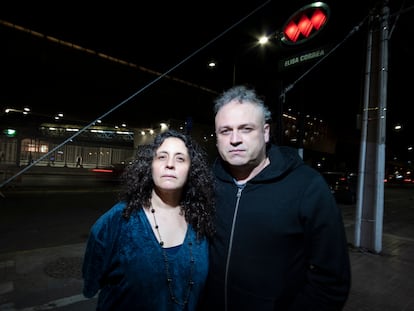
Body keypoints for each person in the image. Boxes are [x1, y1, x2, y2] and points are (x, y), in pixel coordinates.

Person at [200, 85, 351, 310]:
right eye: (225, 131)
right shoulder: (207, 182)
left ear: (266, 132)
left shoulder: (307, 186)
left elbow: (331, 281)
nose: (234, 139)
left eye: (246, 129)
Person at [82, 129, 216, 310]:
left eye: (180, 158)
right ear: (149, 165)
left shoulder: (200, 221)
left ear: (191, 170)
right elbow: (92, 278)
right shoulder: (118, 220)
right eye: (162, 157)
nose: (170, 164)